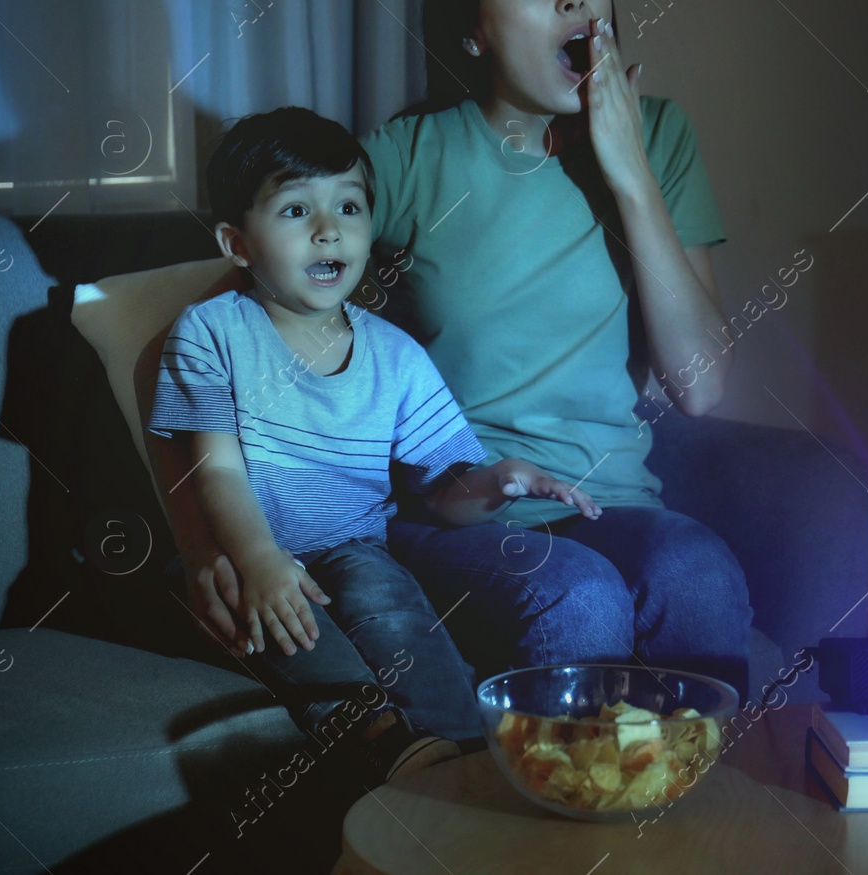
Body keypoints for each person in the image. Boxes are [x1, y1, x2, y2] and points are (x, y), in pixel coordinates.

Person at [358, 0, 755, 700]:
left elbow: (703, 386)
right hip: (459, 512)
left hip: (612, 504)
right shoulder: (411, 156)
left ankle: (707, 831)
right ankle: (551, 828)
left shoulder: (661, 135)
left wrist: (630, 173)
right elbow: (277, 244)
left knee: (701, 571)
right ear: (473, 28)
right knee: (578, 595)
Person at [146, 106, 600, 785]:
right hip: (242, 548)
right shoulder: (212, 331)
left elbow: (445, 492)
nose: (330, 228)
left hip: (352, 549)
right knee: (290, 622)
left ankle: (463, 749)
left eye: (350, 206)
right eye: (296, 210)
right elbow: (213, 469)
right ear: (238, 244)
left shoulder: (396, 355)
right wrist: (262, 558)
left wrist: (499, 478)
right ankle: (383, 741)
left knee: (388, 600)